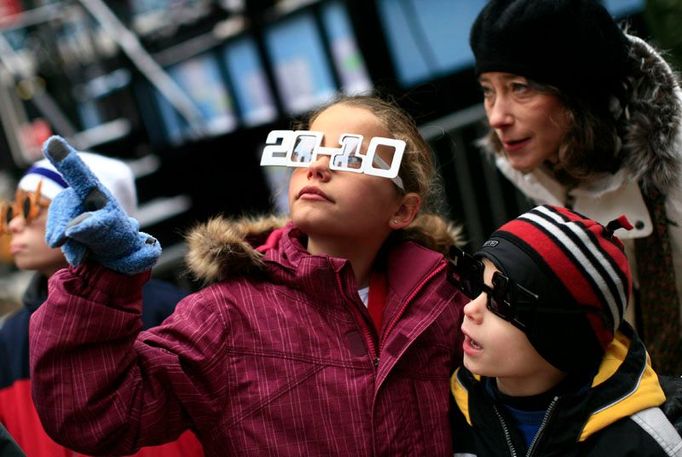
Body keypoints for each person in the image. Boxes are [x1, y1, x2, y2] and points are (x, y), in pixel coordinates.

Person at [28, 95, 468, 456]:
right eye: (307, 151)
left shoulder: (448, 299)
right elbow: (96, 414)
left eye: (351, 156)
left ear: (403, 209)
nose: (317, 167)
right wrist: (102, 280)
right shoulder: (227, 314)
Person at [469, 0, 682, 374]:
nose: (496, 117)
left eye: (519, 88)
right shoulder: (532, 165)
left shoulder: (676, 154)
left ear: (579, 92)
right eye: (488, 90)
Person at [0, 154, 203, 456]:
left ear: (90, 215)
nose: (14, 224)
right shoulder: (11, 336)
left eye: (30, 207)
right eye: (10, 211)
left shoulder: (169, 311)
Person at [449, 204, 682, 456]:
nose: (471, 308)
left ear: (563, 334)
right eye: (474, 282)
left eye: (501, 300)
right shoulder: (454, 409)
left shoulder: (648, 440)